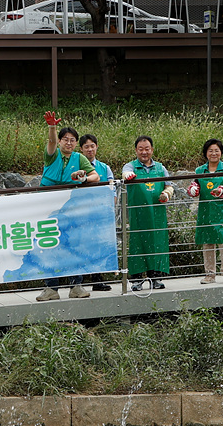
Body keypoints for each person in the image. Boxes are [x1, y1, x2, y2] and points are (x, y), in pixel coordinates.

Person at [37, 113, 99, 302]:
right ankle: (51, 288)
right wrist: (52, 128)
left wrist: (83, 179)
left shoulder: (80, 158)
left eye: (73, 140)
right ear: (60, 141)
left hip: (71, 207)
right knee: (49, 245)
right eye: (66, 140)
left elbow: (95, 176)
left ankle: (76, 286)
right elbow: (51, 142)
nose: (69, 143)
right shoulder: (52, 155)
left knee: (74, 244)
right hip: (48, 206)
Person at [121, 135, 174, 290]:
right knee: (137, 243)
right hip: (138, 214)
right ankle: (136, 280)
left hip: (157, 213)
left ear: (152, 149)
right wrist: (128, 177)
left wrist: (166, 194)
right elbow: (125, 174)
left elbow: (169, 186)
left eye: (147, 149)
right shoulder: (130, 166)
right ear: (136, 150)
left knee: (157, 242)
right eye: (141, 149)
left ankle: (155, 278)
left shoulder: (160, 168)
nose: (144, 152)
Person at [189, 138, 223, 284]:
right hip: (206, 211)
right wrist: (193, 189)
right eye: (210, 151)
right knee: (207, 242)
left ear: (221, 152)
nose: (214, 153)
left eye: (217, 150)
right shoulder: (199, 170)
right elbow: (194, 187)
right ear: (205, 153)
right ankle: (209, 274)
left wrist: (222, 191)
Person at [80, 133, 114, 292]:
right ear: (81, 149)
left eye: (92, 146)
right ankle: (78, 283)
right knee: (82, 246)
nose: (89, 149)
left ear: (96, 147)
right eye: (86, 146)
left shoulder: (104, 167)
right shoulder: (77, 166)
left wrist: (110, 206)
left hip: (100, 213)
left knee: (99, 245)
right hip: (81, 214)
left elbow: (112, 189)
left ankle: (97, 280)